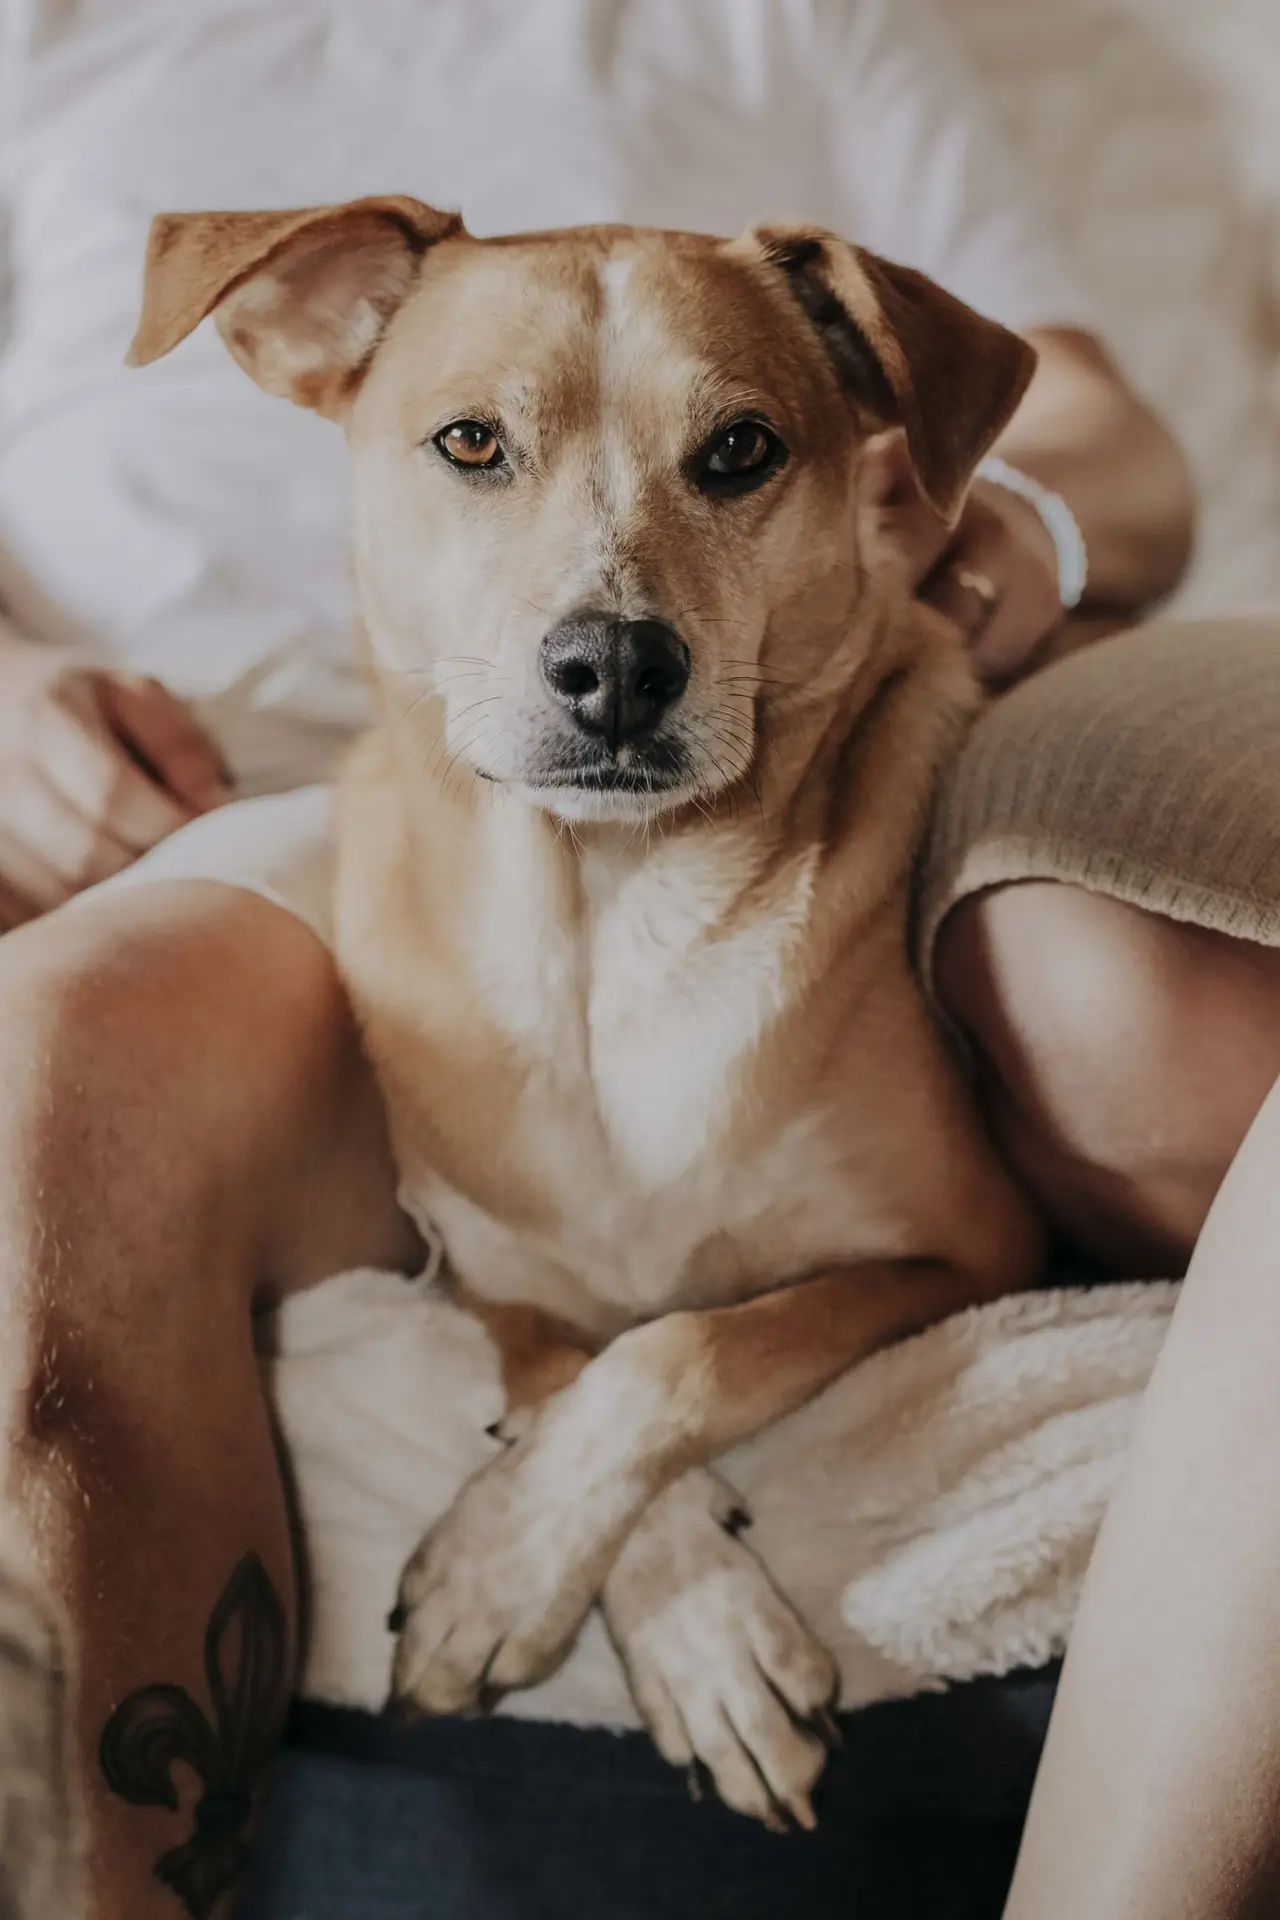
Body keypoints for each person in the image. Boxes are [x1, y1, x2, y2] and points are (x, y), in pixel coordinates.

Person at [0, 0, 1209, 1914]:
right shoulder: (50, 44)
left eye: (727, 456)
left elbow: (1115, 445)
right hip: (238, 774)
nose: (606, 611)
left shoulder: (805, 32)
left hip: (769, 755)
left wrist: (1009, 514)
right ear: (286, 334)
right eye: (475, 445)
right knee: (44, 1066)